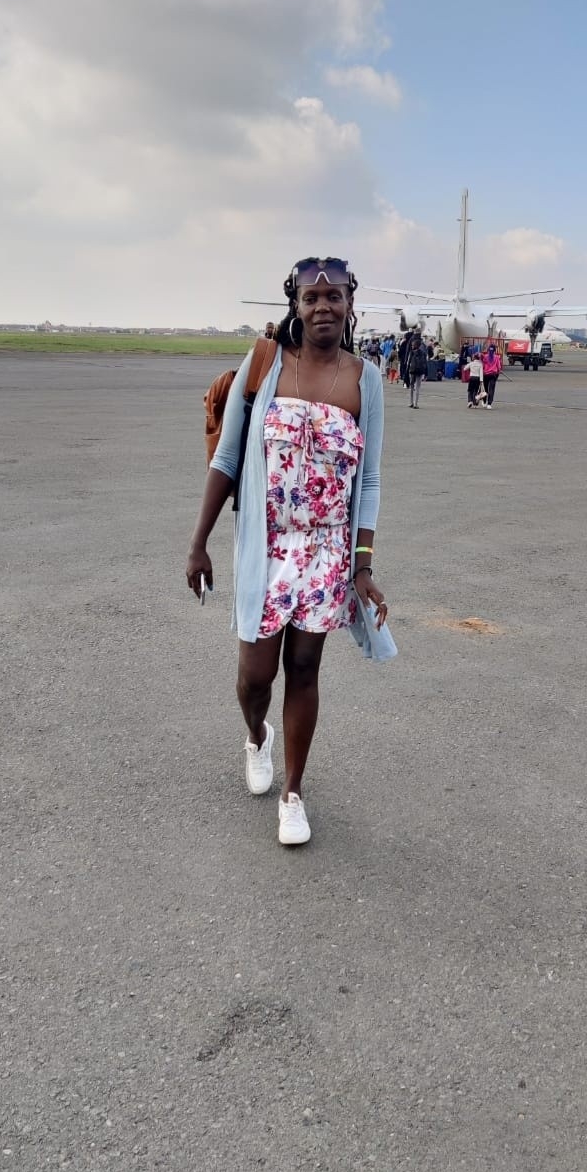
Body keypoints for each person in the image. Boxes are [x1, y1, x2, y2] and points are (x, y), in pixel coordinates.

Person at [186, 257, 388, 846]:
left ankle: (293, 793)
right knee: (255, 677)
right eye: (311, 297)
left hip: (327, 553)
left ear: (350, 302)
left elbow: (370, 479)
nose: (323, 306)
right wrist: (199, 543)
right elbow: (228, 457)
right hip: (268, 547)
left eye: (334, 296)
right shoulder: (266, 362)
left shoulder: (366, 380)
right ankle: (257, 736)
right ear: (295, 303)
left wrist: (363, 563)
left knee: (304, 669)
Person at [407, 333, 427, 408]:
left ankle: (411, 402)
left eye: (412, 345)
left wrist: (407, 370)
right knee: (418, 387)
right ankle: (416, 403)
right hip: (420, 371)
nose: (412, 346)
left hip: (412, 370)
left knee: (411, 386)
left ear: (415, 345)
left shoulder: (411, 353)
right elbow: (425, 363)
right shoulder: (423, 353)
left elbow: (408, 362)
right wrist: (426, 373)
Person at [481, 342, 502, 407]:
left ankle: (484, 402)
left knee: (485, 389)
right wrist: (498, 372)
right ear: (495, 350)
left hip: (486, 374)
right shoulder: (497, 357)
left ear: (488, 349)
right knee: (491, 389)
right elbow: (499, 367)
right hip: (493, 374)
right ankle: (489, 404)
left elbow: (483, 365)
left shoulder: (485, 357)